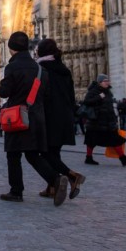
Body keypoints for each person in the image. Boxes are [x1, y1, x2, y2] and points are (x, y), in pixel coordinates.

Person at [0, 31, 69, 206]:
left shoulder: (12, 67)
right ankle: (56, 179)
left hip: (18, 116)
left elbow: (3, 92)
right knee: (32, 154)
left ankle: (16, 191)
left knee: (13, 155)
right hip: (36, 117)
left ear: (11, 48)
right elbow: (46, 94)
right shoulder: (39, 68)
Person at [36, 38, 86, 199]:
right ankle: (52, 187)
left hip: (49, 116)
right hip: (64, 116)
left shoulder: (41, 69)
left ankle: (72, 176)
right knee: (54, 152)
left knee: (44, 153)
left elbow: (41, 95)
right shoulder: (64, 69)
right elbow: (71, 96)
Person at [82, 74, 126, 166]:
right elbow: (86, 102)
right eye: (105, 81)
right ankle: (89, 158)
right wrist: (99, 97)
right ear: (100, 82)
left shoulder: (108, 92)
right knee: (91, 140)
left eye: (108, 81)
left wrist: (114, 117)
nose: (107, 82)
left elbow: (109, 107)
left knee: (115, 139)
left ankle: (123, 159)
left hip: (107, 121)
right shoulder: (93, 91)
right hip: (96, 121)